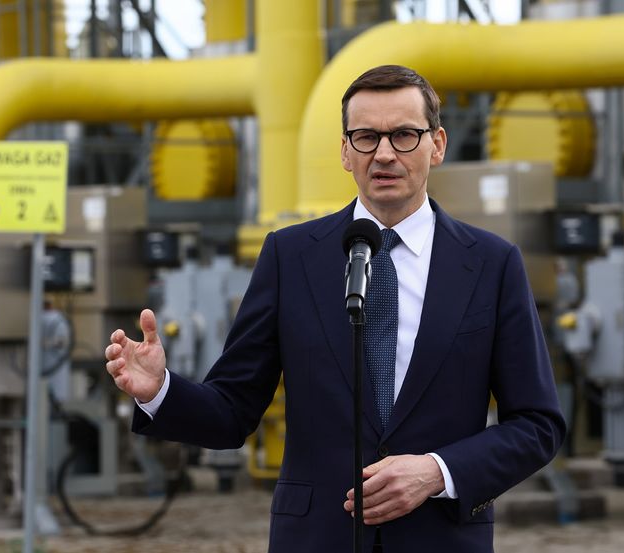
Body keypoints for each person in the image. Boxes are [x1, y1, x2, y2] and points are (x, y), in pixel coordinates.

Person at [106, 64, 565, 552]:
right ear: (345, 151)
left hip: (441, 537)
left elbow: (537, 425)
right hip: (316, 538)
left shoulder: (492, 264)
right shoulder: (290, 256)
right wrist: (160, 391)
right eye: (365, 137)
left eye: (404, 135)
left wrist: (436, 472)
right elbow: (233, 410)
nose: (384, 153)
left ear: (438, 144)